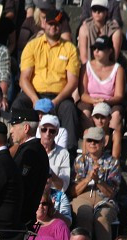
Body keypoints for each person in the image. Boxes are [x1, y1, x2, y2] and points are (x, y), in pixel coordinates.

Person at [15, 8, 80, 150]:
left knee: (69, 109)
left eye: (57, 24)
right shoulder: (32, 46)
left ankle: (70, 154)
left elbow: (73, 82)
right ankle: (14, 146)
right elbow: (24, 79)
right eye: (50, 24)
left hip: (59, 97)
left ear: (62, 26)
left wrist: (56, 102)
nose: (53, 27)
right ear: (44, 23)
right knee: (18, 104)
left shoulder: (70, 49)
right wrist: (34, 100)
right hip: (34, 94)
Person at [72, 126, 120, 240]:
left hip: (104, 198)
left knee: (102, 218)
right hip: (83, 195)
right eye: (89, 140)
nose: (92, 143)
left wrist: (98, 180)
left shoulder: (112, 162)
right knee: (84, 214)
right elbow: (73, 192)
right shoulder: (79, 160)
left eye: (96, 141)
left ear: (103, 143)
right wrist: (88, 179)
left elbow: (112, 193)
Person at [10, 110, 51, 227]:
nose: (11, 130)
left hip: (15, 222)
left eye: (14, 126)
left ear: (26, 128)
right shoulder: (31, 149)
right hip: (18, 219)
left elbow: (18, 185)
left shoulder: (30, 152)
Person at [78, 36, 125, 137]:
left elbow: (119, 96)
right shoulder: (86, 66)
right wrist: (94, 101)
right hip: (90, 101)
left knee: (116, 115)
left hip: (110, 102)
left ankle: (110, 145)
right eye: (94, 48)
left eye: (100, 49)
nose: (96, 51)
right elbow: (83, 94)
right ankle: (91, 141)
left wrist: (105, 101)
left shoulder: (118, 69)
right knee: (85, 112)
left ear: (110, 51)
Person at [77, 0, 121, 64]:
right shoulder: (84, 29)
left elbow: (114, 59)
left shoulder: (115, 30)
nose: (97, 12)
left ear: (106, 12)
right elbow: (84, 58)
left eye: (101, 9)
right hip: (89, 67)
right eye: (94, 9)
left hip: (108, 67)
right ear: (91, 12)